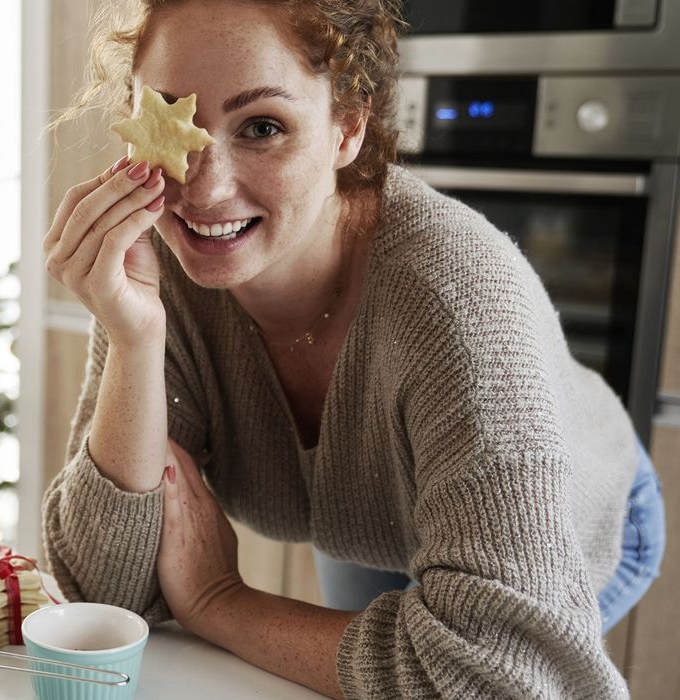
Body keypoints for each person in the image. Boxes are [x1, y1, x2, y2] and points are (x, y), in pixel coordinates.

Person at [39, 0, 665, 698]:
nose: (204, 188)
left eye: (263, 127)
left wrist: (222, 601)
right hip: (373, 527)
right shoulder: (159, 269)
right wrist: (133, 339)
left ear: (348, 126)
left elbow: (505, 674)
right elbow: (105, 598)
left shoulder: (457, 297)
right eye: (175, 120)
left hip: (579, 515)